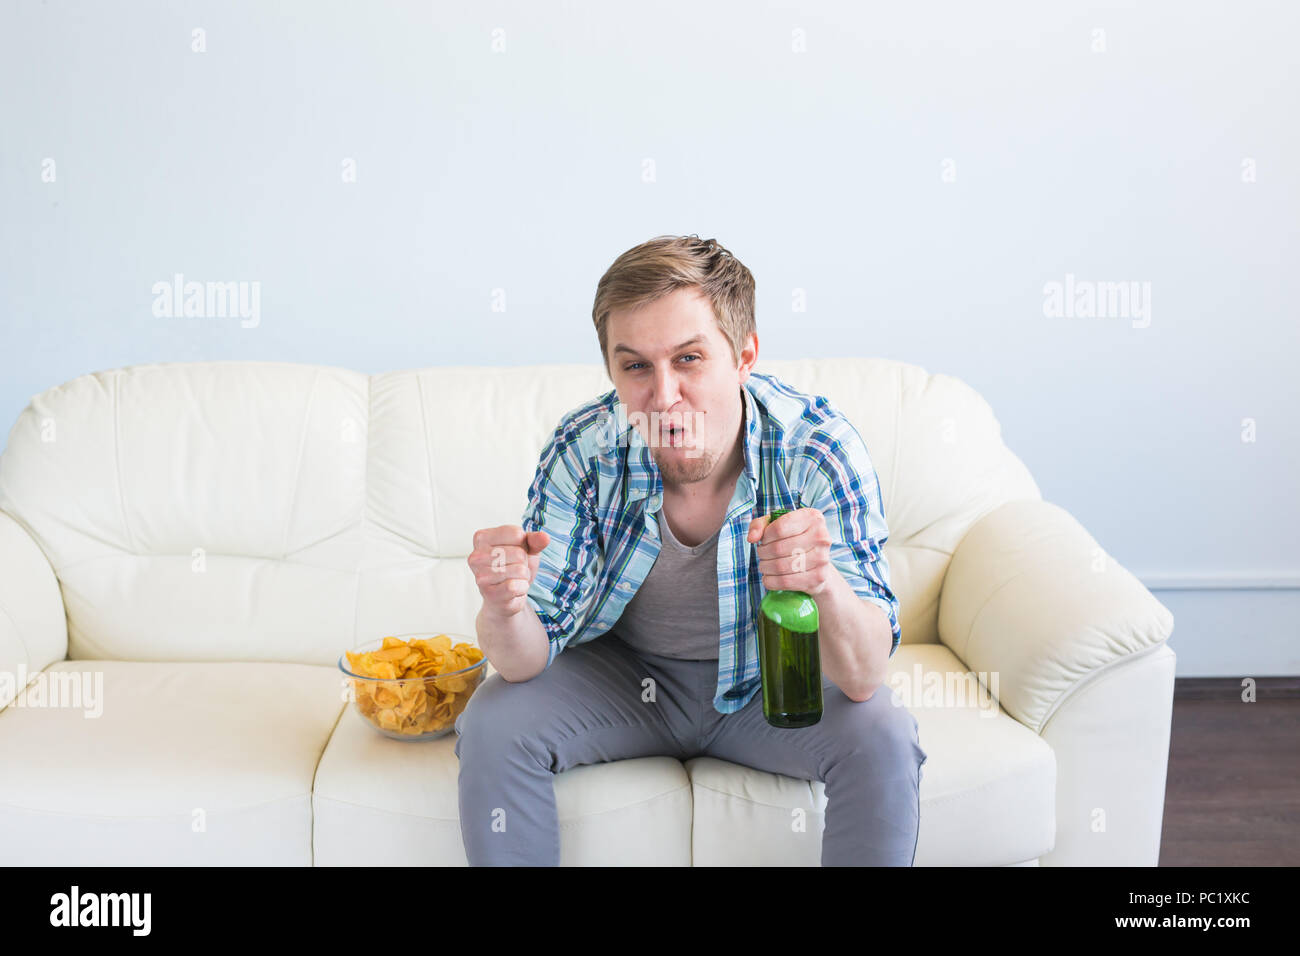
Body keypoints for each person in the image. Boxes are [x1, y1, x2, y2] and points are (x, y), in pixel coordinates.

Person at [456, 234, 926, 865]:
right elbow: (521, 661)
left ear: (745, 356)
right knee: (492, 722)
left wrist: (824, 584)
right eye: (636, 367)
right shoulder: (584, 452)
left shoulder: (817, 449)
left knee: (883, 735)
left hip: (771, 685)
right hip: (622, 679)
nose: (664, 395)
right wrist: (503, 609)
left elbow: (865, 674)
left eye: (689, 359)